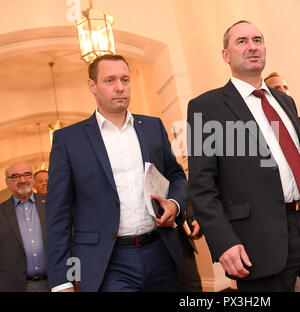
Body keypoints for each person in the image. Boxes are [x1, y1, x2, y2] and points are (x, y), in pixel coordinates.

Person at [187, 20, 300, 291]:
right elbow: (201, 186)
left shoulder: (284, 101)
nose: (252, 47)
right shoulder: (207, 108)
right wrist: (224, 241)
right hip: (258, 238)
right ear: (225, 55)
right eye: (241, 42)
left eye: (258, 40)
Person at [46, 54, 187, 292]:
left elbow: (176, 177)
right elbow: (57, 217)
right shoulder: (68, 140)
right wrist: (62, 281)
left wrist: (174, 204)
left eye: (125, 79)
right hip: (107, 262)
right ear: (92, 86)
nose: (120, 87)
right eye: (109, 80)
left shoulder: (153, 127)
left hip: (160, 251)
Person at [0, 162, 48, 292]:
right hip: (15, 286)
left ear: (32, 178)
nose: (22, 180)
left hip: (54, 283)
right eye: (16, 176)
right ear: (7, 182)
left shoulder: (51, 204)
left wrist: (74, 275)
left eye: (27, 175)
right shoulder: (1, 212)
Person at [176, 199, 203, 291]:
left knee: (192, 287)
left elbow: (185, 194)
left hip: (181, 241)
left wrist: (193, 218)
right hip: (152, 246)